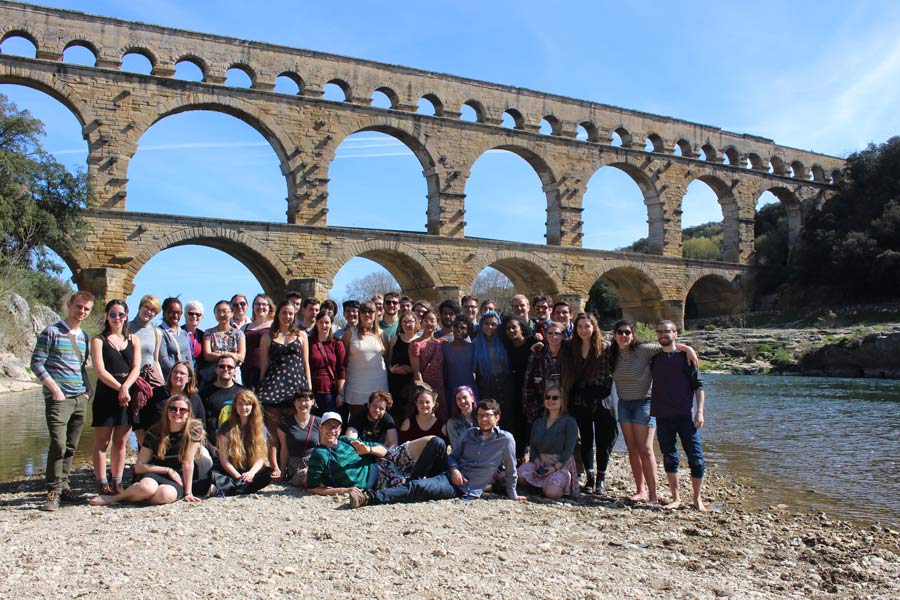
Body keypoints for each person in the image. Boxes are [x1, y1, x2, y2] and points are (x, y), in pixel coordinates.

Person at [345, 399, 526, 508]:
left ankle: (368, 498)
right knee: (437, 442)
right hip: (450, 472)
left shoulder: (505, 440)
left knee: (420, 488)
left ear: (497, 417)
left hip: (460, 487)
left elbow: (511, 468)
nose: (484, 419)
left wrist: (512, 493)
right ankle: (411, 480)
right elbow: (453, 456)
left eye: (488, 415)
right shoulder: (470, 433)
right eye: (480, 416)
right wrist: (454, 469)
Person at [610, 319, 698, 504]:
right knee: (632, 449)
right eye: (620, 332)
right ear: (615, 334)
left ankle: (653, 495)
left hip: (644, 403)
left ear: (633, 334)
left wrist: (687, 348)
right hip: (624, 404)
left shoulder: (643, 350)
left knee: (646, 449)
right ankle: (640, 490)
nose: (623, 335)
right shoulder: (612, 352)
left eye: (627, 332)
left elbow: (667, 345)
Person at [31, 290, 95, 511]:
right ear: (69, 304)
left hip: (80, 397)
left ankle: (64, 486)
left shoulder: (84, 336)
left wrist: (88, 389)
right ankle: (52, 493)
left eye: (87, 309)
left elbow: (81, 366)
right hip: (59, 398)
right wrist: (55, 390)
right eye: (79, 307)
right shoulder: (51, 332)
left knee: (70, 445)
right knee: (58, 444)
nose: (82, 312)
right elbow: (37, 363)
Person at [89, 395, 207, 506]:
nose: (177, 413)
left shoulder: (194, 430)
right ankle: (115, 498)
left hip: (179, 475)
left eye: (182, 410)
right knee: (146, 488)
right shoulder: (156, 431)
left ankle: (137, 496)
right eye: (173, 409)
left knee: (165, 495)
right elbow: (139, 466)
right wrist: (167, 470)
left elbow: (188, 462)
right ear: (167, 411)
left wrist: (188, 492)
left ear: (188, 413)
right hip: (156, 471)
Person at [306, 412, 448, 496]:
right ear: (320, 427)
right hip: (379, 482)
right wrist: (344, 490)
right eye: (328, 426)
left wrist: (368, 450)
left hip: (385, 461)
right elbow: (313, 488)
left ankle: (431, 474)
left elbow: (384, 450)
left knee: (433, 440)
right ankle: (421, 478)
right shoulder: (320, 454)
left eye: (336, 426)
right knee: (420, 486)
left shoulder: (345, 440)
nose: (332, 430)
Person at [651, 321, 707, 511]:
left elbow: (699, 387)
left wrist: (699, 411)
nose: (662, 335)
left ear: (675, 333)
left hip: (685, 416)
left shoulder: (686, 358)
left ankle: (697, 498)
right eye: (659, 332)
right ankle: (676, 498)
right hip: (662, 415)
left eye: (666, 332)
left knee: (696, 459)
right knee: (669, 457)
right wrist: (687, 346)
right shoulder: (654, 358)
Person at [91, 299, 142, 496]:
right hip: (106, 392)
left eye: (121, 314)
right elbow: (100, 370)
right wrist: (120, 388)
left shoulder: (133, 339)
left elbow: (136, 367)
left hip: (127, 392)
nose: (117, 318)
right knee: (102, 441)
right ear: (106, 316)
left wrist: (126, 388)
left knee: (121, 441)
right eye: (113, 314)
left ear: (126, 316)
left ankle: (117, 481)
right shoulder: (98, 340)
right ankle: (101, 482)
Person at [563, 313, 616, 494]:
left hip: (602, 400)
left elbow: (631, 352)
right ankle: (590, 477)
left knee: (603, 440)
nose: (583, 330)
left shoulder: (606, 347)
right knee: (586, 439)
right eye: (580, 327)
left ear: (594, 327)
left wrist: (683, 347)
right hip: (580, 400)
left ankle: (601, 478)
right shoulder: (571, 347)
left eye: (587, 326)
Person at [257, 300, 311, 442]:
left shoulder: (302, 335)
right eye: (284, 313)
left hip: (296, 387)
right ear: (278, 314)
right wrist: (261, 388)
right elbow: (264, 365)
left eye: (291, 313)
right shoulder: (267, 337)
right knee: (272, 433)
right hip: (273, 388)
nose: (287, 316)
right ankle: (274, 464)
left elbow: (306, 363)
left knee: (293, 431)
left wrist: (309, 387)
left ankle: (291, 463)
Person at [209, 390, 277, 496]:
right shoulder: (226, 427)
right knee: (216, 474)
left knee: (268, 474)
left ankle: (224, 488)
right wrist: (238, 477)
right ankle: (238, 487)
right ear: (235, 406)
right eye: (240, 404)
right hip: (232, 469)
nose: (243, 407)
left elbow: (261, 458)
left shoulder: (260, 427)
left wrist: (251, 473)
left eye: (247, 404)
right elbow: (224, 460)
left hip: (250, 470)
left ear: (253, 406)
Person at [518, 384, 579, 498]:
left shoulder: (569, 422)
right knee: (518, 476)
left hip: (560, 464)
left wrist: (555, 467)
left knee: (552, 493)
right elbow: (533, 447)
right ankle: (539, 486)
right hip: (540, 463)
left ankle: (558, 483)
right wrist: (537, 462)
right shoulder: (538, 422)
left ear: (563, 401)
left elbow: (569, 450)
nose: (550, 400)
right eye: (547, 397)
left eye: (555, 398)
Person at [135, 359, 205, 447]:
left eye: (182, 373)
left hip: (185, 446)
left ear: (189, 379)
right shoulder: (155, 395)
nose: (178, 375)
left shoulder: (194, 398)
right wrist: (145, 446)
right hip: (155, 445)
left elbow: (200, 426)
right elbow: (139, 423)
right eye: (175, 372)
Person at [342, 300, 389, 419]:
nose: (367, 314)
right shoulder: (350, 333)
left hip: (378, 384)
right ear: (359, 314)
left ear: (376, 313)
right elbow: (343, 358)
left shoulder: (382, 334)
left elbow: (387, 357)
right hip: (356, 385)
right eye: (364, 311)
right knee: (356, 420)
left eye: (371, 311)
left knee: (377, 420)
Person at [500, 314, 536, 460]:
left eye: (514, 327)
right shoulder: (506, 346)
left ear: (521, 328)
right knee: (516, 425)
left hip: (531, 391)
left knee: (531, 427)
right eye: (508, 328)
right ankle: (518, 458)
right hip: (512, 392)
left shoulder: (532, 343)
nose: (511, 331)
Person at [522, 321, 565, 428]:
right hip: (542, 407)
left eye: (557, 333)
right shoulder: (538, 355)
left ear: (562, 336)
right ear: (545, 335)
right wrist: (531, 410)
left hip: (566, 407)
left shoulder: (569, 355)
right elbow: (529, 383)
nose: (553, 336)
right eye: (550, 333)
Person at [473, 310, 511, 429]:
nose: (490, 327)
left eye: (493, 324)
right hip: (485, 384)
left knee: (505, 418)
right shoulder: (475, 343)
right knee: (488, 417)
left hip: (504, 383)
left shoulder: (504, 341)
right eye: (486, 323)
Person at [307, 309, 346, 415]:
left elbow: (341, 369)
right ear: (316, 323)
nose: (324, 325)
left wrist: (340, 394)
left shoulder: (337, 344)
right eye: (321, 322)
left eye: (327, 322)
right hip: (313, 391)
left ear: (332, 324)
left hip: (331, 392)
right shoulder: (309, 343)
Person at [278, 390, 321, 487]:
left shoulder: (319, 422)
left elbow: (323, 446)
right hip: (296, 464)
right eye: (299, 400)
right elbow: (284, 449)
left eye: (306, 400)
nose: (303, 404)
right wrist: (282, 473)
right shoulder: (285, 423)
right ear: (294, 403)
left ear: (312, 402)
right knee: (306, 476)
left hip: (314, 462)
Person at [410, 309, 446, 420]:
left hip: (439, 386)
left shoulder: (442, 343)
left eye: (432, 320)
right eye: (426, 320)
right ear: (421, 323)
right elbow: (416, 371)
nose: (429, 323)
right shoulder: (416, 344)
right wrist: (425, 391)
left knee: (440, 417)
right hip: (424, 387)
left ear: (437, 324)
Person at [199, 355, 244, 444]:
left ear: (235, 371)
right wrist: (209, 446)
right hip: (212, 444)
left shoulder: (242, 393)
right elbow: (200, 423)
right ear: (216, 369)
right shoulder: (204, 393)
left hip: (238, 442)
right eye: (222, 366)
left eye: (230, 367)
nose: (225, 369)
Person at [202, 300, 246, 385]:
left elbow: (241, 357)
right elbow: (207, 355)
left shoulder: (239, 334)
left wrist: (218, 353)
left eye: (224, 311)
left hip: (233, 375)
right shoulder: (208, 333)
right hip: (213, 375)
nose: (221, 314)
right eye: (218, 311)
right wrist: (232, 355)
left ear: (232, 313)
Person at [387, 310, 418, 420]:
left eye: (410, 321)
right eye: (404, 322)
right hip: (395, 384)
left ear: (416, 323)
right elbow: (388, 362)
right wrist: (392, 369)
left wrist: (411, 369)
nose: (407, 325)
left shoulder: (419, 341)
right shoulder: (395, 340)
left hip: (412, 384)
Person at [442, 314, 476, 412]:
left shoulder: (473, 348)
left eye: (463, 328)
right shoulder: (445, 348)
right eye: (456, 326)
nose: (459, 330)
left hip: (470, 391)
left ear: (468, 331)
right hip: (452, 391)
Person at [241, 293, 275, 390]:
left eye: (264, 304)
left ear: (269, 307)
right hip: (247, 369)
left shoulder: (274, 326)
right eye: (257, 304)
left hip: (266, 369)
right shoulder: (245, 327)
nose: (261, 307)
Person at [129, 293, 163, 385]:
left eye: (153, 310)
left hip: (148, 380)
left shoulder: (157, 333)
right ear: (140, 307)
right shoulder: (126, 328)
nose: (148, 311)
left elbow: (155, 360)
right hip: (129, 379)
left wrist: (161, 381)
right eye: (146, 307)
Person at [158, 297, 192, 380]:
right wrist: (179, 373)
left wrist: (190, 374)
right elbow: (163, 360)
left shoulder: (183, 333)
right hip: (168, 379)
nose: (176, 316)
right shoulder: (160, 332)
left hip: (184, 379)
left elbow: (188, 357)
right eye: (171, 312)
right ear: (164, 312)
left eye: (178, 313)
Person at [444, 386, 476, 450]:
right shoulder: (452, 423)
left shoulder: (482, 418)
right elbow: (457, 448)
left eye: (465, 397)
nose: (462, 401)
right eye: (458, 399)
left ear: (472, 398)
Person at [182, 300, 205, 373]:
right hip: (181, 372)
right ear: (185, 315)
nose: (194, 316)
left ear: (202, 317)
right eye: (191, 313)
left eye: (198, 314)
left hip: (199, 374)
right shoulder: (178, 333)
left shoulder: (203, 335)